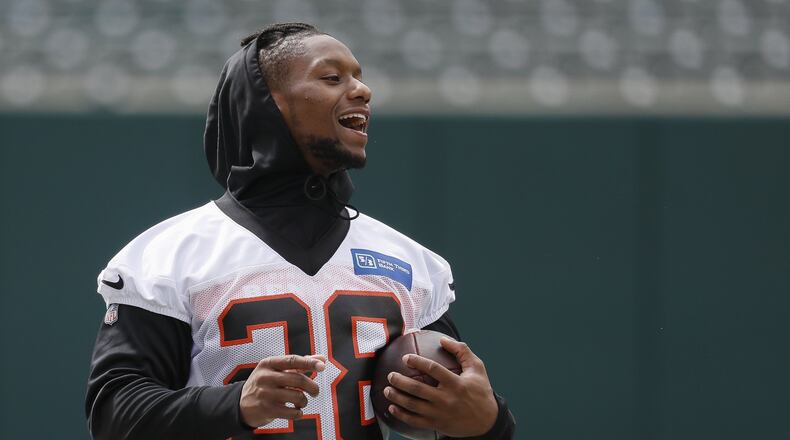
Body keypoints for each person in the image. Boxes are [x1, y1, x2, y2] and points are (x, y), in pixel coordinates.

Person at [85, 22, 516, 439]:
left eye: (359, 78)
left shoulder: (410, 262)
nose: (362, 91)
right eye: (332, 77)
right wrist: (234, 405)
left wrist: (488, 424)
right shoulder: (170, 256)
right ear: (267, 104)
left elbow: (459, 411)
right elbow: (114, 415)